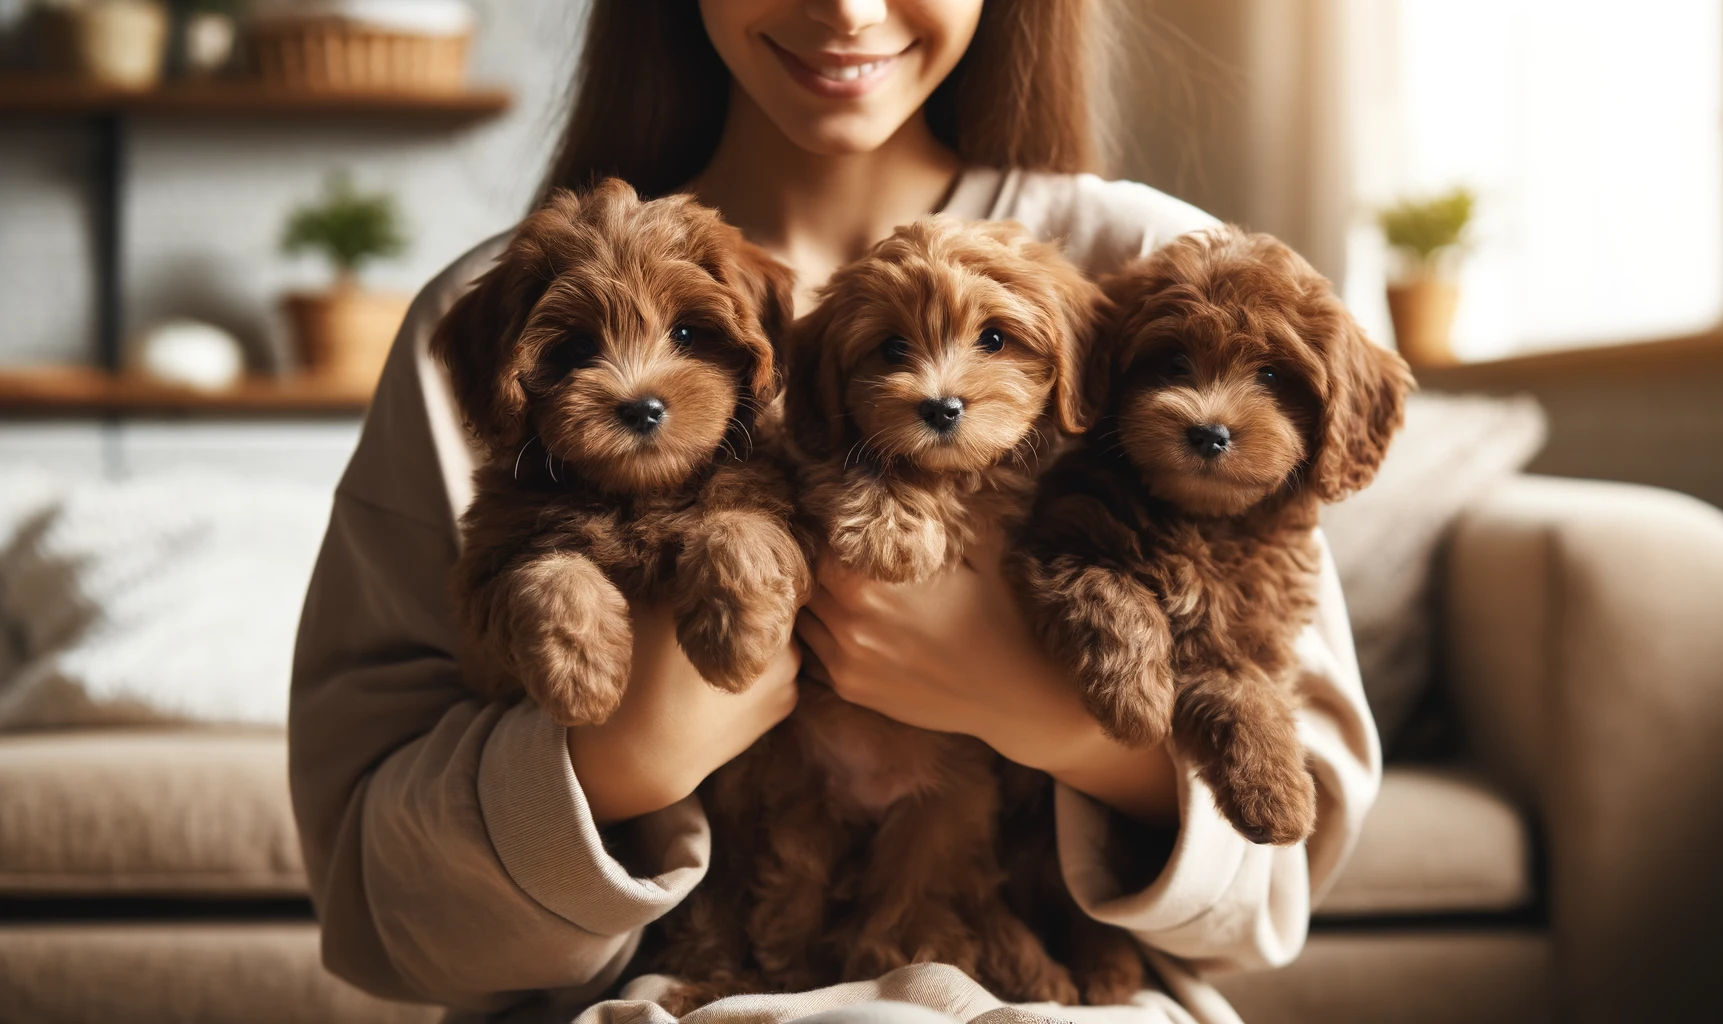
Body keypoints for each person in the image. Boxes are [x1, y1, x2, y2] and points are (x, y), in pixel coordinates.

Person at [288, 3, 1379, 1023]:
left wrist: (1051, 718)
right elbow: (376, 898)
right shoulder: (494, 319)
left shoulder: (1147, 274)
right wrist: (619, 758)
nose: (847, 7)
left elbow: (1281, 861)